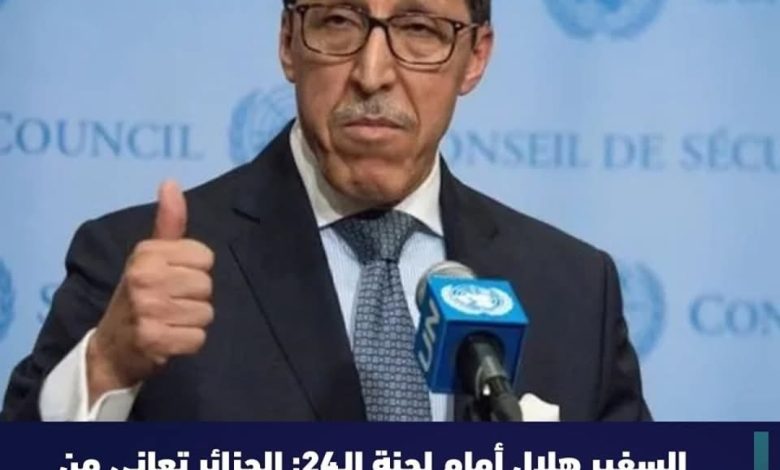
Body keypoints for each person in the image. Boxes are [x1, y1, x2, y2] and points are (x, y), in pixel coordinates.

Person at [1, 0, 651, 421]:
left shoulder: (573, 289)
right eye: (338, 21)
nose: (373, 72)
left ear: (474, 58)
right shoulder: (136, 263)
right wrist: (105, 368)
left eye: (419, 29)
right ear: (289, 42)